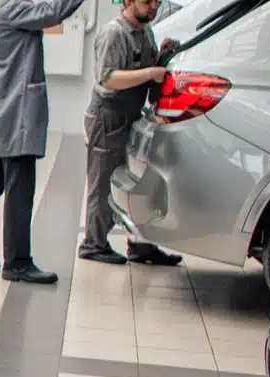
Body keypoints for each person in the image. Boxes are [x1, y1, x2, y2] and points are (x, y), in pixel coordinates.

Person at [0, 0, 88, 284]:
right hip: (14, 114)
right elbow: (54, 12)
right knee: (19, 190)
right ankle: (17, 263)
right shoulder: (12, 8)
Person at [80, 0, 185, 266]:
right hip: (108, 115)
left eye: (156, 2)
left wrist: (161, 57)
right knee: (102, 182)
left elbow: (146, 77)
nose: (153, 7)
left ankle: (141, 246)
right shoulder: (113, 33)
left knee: (139, 183)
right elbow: (108, 78)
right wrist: (151, 71)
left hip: (131, 115)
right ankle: (93, 243)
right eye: (146, 1)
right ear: (127, 1)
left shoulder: (146, 32)